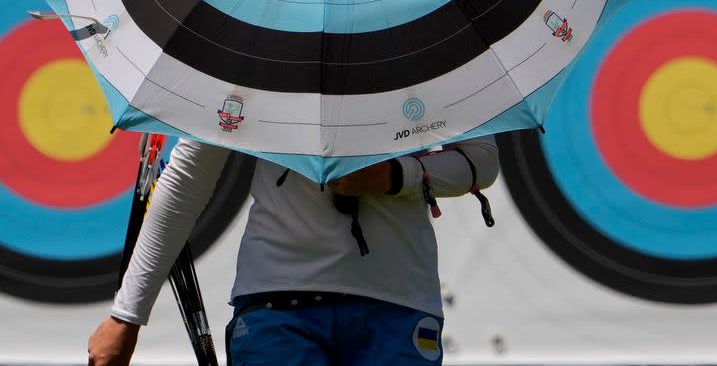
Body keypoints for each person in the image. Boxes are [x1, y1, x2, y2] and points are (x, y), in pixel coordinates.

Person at [87, 135, 499, 365]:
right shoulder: (255, 35)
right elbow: (188, 178)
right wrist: (127, 315)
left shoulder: (425, 33)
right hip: (278, 307)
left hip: (397, 304)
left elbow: (482, 162)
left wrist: (392, 175)